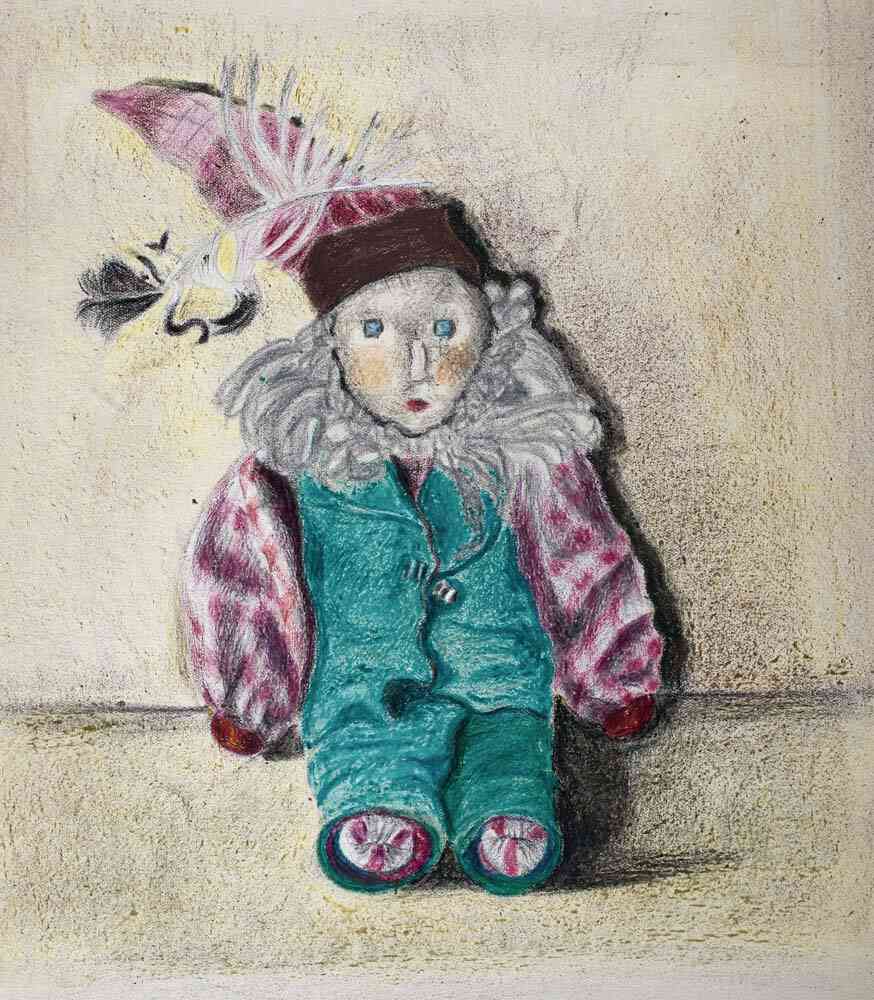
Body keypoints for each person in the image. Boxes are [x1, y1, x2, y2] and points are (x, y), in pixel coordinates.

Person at [85, 63, 664, 895]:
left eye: (443, 327)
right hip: (357, 698)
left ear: (492, 333)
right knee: (366, 756)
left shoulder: (532, 458)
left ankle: (506, 805)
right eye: (375, 330)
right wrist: (250, 699)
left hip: (506, 689)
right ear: (330, 348)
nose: (414, 359)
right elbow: (241, 581)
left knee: (509, 755)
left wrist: (615, 678)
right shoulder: (288, 472)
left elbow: (588, 564)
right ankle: (376, 805)